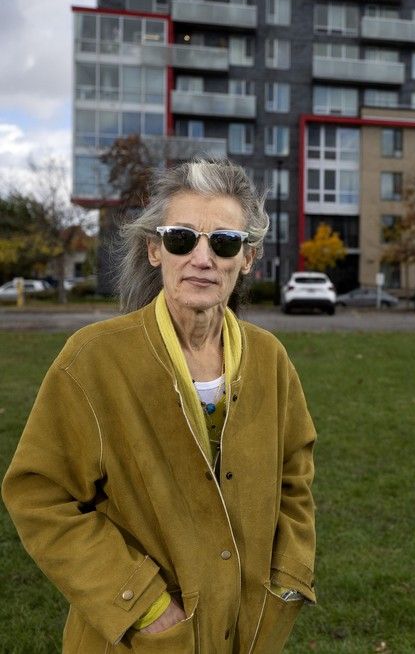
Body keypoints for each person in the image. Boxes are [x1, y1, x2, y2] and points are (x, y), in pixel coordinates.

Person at [3, 159, 317, 652]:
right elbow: (39, 495)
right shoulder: (92, 360)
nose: (202, 258)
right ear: (155, 249)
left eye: (224, 242)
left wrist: (288, 577)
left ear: (247, 258)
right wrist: (142, 605)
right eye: (181, 239)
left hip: (248, 631)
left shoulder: (270, 359)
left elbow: (295, 477)